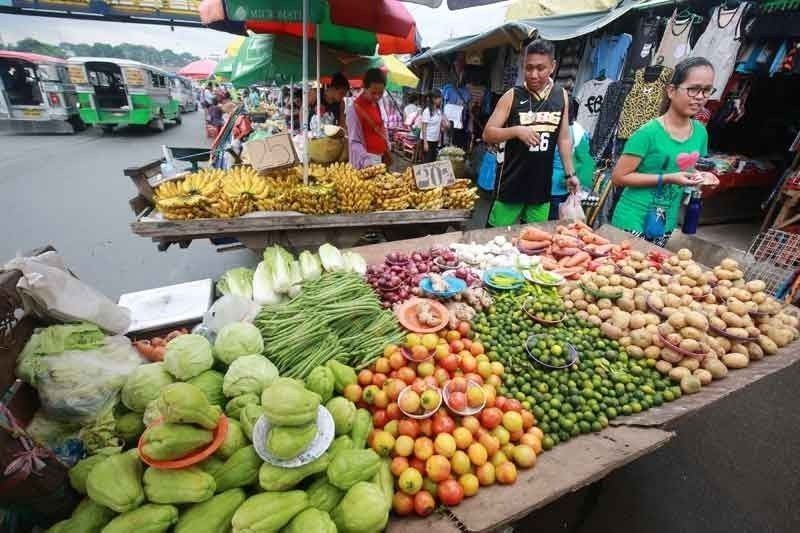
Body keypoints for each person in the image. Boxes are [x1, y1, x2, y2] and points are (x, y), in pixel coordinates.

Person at [610, 57, 720, 247]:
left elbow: (685, 169)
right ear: (671, 90)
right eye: (693, 89)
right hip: (633, 219)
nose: (700, 96)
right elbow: (619, 177)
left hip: (666, 222)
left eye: (707, 90)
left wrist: (701, 177)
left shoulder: (700, 132)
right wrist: (668, 178)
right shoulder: (647, 133)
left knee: (651, 274)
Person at [483, 39, 578, 226]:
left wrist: (570, 174)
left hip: (541, 188)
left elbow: (564, 138)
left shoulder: (562, 97)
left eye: (540, 68)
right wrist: (516, 131)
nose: (534, 75)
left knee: (534, 244)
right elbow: (488, 133)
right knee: (494, 240)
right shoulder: (512, 95)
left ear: (553, 66)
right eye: (528, 68)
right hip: (510, 186)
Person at [549, 98, 596, 220]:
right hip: (566, 183)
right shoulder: (579, 130)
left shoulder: (549, 127)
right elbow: (586, 160)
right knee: (559, 220)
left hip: (549, 183)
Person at [347, 68, 392, 169]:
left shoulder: (377, 104)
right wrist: (366, 161)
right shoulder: (354, 109)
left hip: (380, 157)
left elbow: (380, 127)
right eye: (373, 92)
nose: (377, 97)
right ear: (364, 87)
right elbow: (353, 141)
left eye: (380, 93)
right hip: (366, 161)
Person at [421, 89, 446, 163]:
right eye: (439, 98)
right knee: (427, 161)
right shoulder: (427, 111)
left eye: (440, 98)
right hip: (428, 140)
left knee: (432, 161)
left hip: (435, 140)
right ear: (433, 99)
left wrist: (443, 128)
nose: (440, 100)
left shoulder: (439, 111)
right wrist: (425, 143)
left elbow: (440, 125)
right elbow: (424, 127)